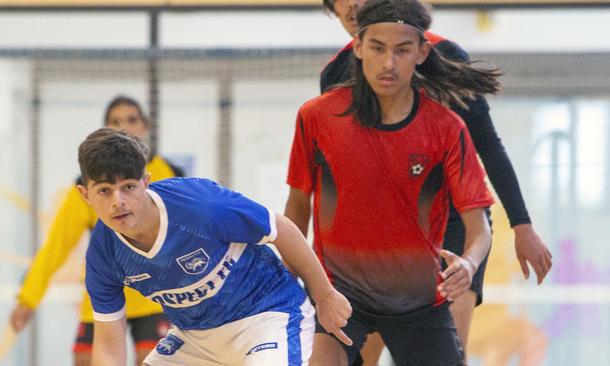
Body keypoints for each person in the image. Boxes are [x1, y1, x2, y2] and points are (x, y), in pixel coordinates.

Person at [315, 0, 553, 363]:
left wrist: (522, 225)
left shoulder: (441, 53)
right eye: (339, 4)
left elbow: (487, 144)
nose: (351, 5)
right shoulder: (336, 74)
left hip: (450, 229)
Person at [285, 0, 501, 364]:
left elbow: (479, 228)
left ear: (421, 52)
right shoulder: (316, 117)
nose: (388, 63)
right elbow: (296, 208)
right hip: (341, 296)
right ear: (357, 47)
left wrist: (468, 263)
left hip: (420, 304)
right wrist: (295, 279)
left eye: (402, 50)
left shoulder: (447, 129)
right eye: (377, 48)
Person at [76, 128, 352, 366]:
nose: (118, 201)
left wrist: (325, 295)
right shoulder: (103, 253)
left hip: (267, 316)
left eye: (128, 187)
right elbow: (109, 348)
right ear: (85, 195)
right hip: (195, 338)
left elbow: (282, 230)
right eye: (104, 191)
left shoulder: (201, 206)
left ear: (146, 182)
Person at [9, 96, 184, 366]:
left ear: (146, 126)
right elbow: (56, 246)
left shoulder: (170, 174)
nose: (124, 127)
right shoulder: (86, 186)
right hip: (104, 293)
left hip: (155, 296)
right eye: (115, 122)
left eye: (131, 120)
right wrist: (28, 298)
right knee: (85, 360)